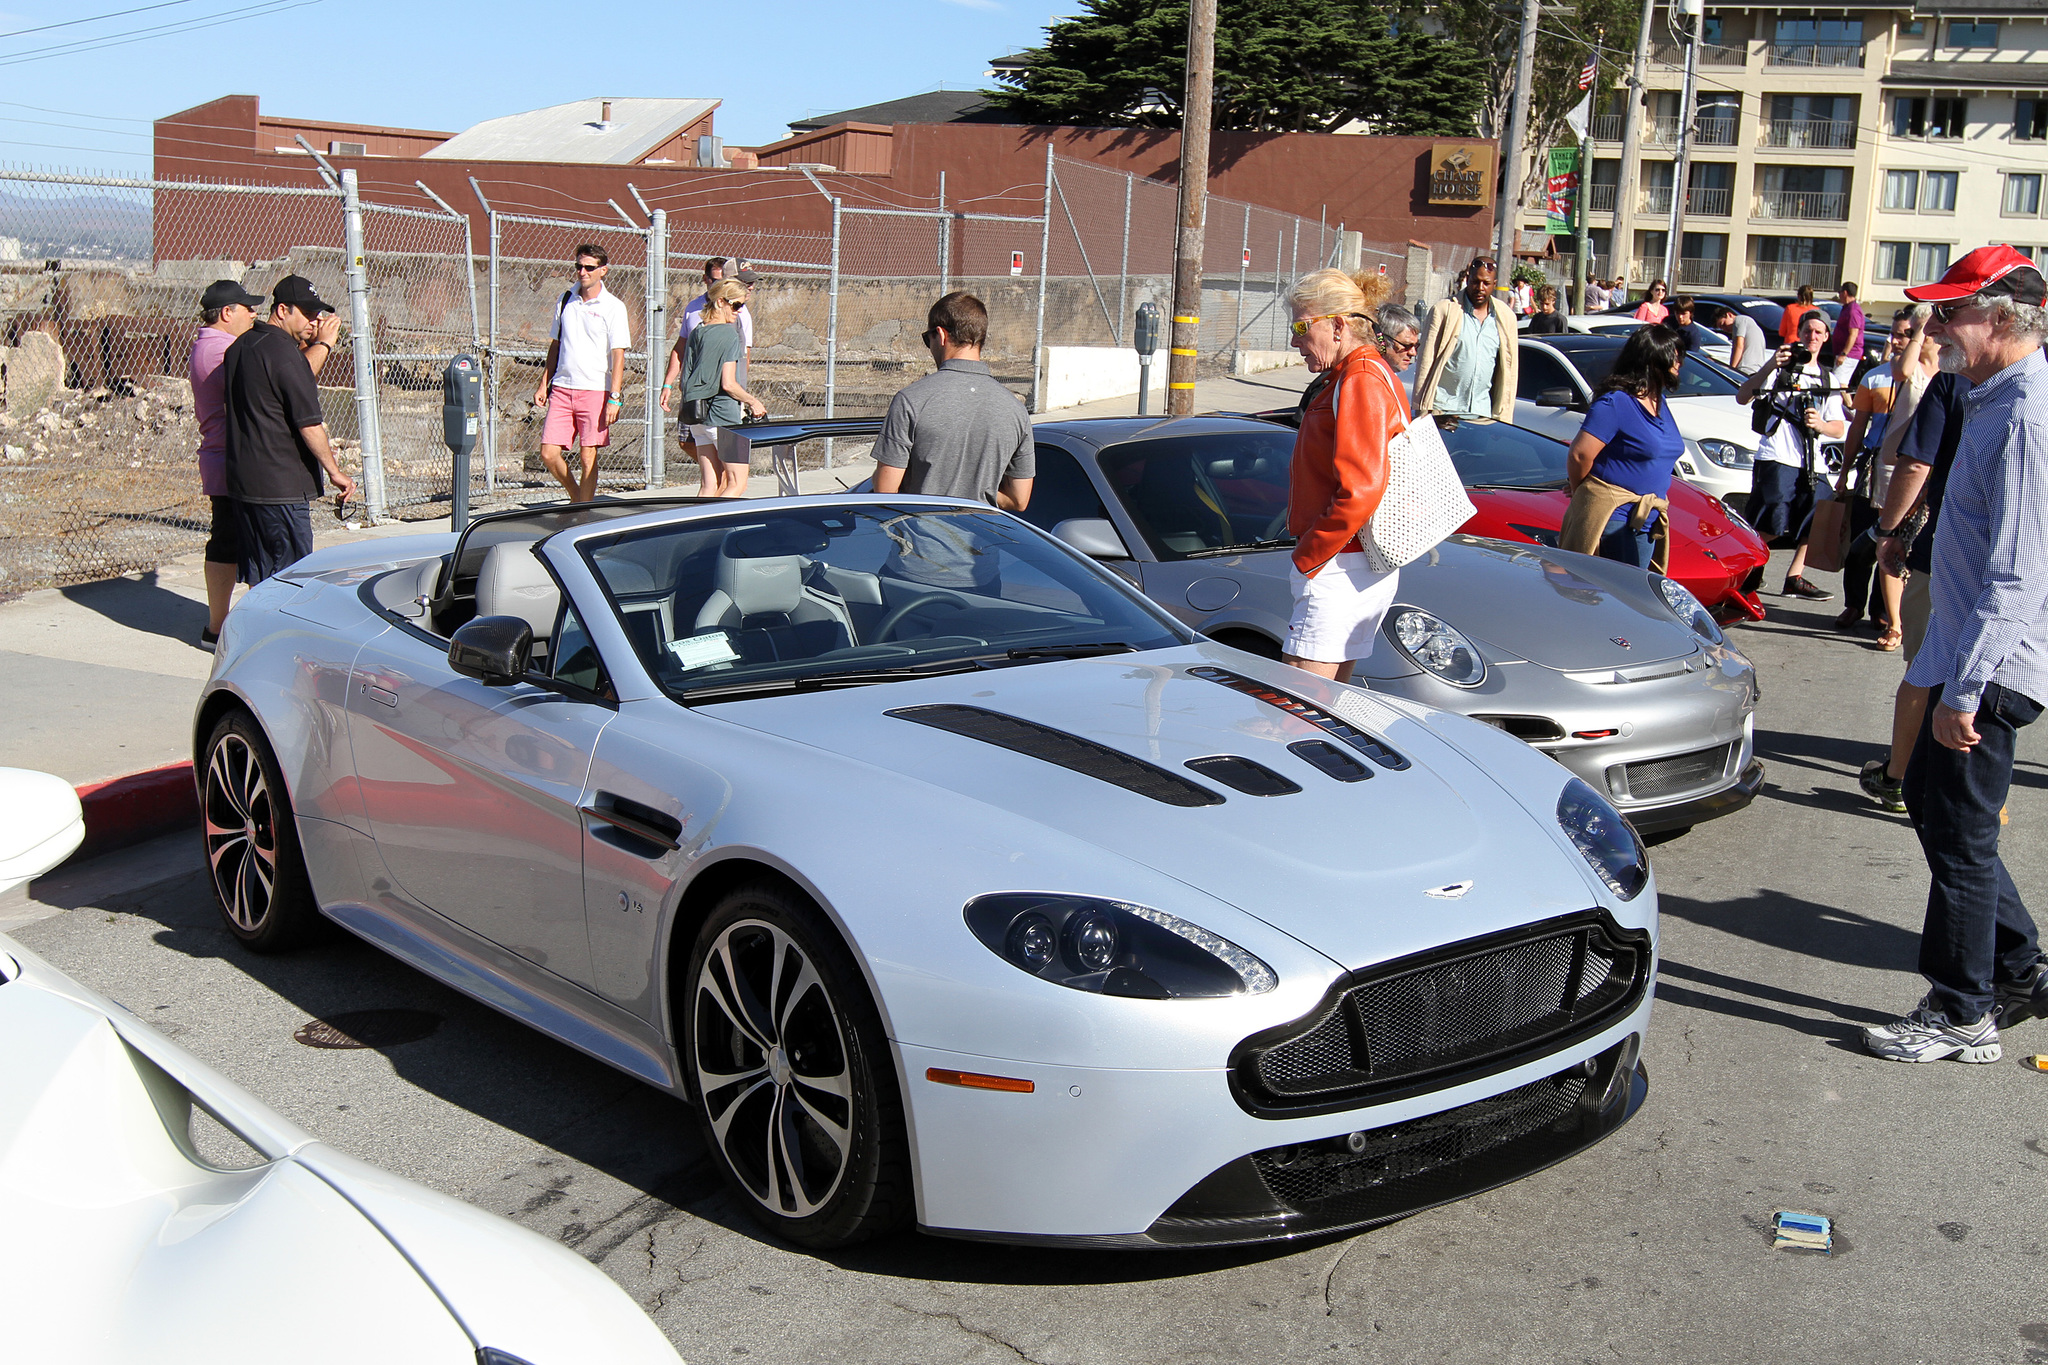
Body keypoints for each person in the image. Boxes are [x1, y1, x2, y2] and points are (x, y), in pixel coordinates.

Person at [1863, 244, 2048, 1064]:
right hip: (1966, 653)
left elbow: (2017, 575)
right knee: (1940, 818)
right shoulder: (1992, 397)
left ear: (2002, 320)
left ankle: (1961, 1007)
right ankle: (2014, 967)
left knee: (1960, 837)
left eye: (1952, 311)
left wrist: (1963, 690)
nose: (1935, 326)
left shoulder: (2025, 417)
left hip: (1993, 665)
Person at [1283, 266, 1402, 683]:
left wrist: (1310, 555)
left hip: (1341, 564)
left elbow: (1361, 487)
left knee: (1293, 707)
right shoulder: (1367, 372)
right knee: (1326, 708)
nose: (1295, 340)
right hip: (1355, 561)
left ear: (1337, 325)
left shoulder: (1359, 377)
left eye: (1301, 325)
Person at [1861, 305, 1952, 813]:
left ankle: (1901, 777)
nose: (1930, 332)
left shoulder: (1951, 385)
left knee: (1925, 667)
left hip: (1942, 545)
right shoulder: (2027, 383)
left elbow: (1914, 463)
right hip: (2010, 559)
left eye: (1942, 320)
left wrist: (1889, 532)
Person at [222, 275, 355, 587]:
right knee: (292, 579)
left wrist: (317, 343)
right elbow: (309, 423)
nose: (314, 321)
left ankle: (258, 632)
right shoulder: (284, 354)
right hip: (281, 486)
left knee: (262, 578)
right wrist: (335, 471)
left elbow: (290, 379)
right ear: (282, 310)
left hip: (245, 484)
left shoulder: (241, 347)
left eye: (317, 315)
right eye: (307, 314)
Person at [1735, 309, 1846, 599]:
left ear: (1826, 338)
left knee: (1816, 518)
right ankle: (1747, 572)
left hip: (1811, 461)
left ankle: (1794, 577)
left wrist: (1820, 424)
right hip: (1777, 455)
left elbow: (1838, 427)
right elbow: (1743, 395)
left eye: (1818, 332)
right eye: (1807, 330)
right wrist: (1771, 365)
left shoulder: (1827, 378)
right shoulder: (1780, 368)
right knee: (1771, 522)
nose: (1812, 337)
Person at [1560, 324, 1685, 569]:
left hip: (1647, 519)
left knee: (1636, 597)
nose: (1679, 362)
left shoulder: (1659, 401)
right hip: (1614, 518)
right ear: (1653, 359)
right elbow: (1579, 455)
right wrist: (1583, 492)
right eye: (1674, 355)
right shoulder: (1615, 403)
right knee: (1619, 597)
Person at [190, 280, 265, 646]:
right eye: (246, 307)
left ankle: (218, 626)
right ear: (226, 312)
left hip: (226, 458)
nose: (253, 313)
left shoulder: (217, 346)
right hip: (230, 459)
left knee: (230, 539)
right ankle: (218, 627)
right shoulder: (221, 350)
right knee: (231, 540)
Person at [1832, 319, 1914, 640]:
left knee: (1892, 542)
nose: (1897, 340)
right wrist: (1844, 471)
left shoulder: (1927, 379)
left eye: (1905, 334)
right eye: (1894, 333)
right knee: (1861, 542)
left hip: (1905, 473)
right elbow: (1857, 428)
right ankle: (1854, 603)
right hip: (1872, 468)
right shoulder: (1874, 376)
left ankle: (1883, 612)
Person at [532, 244, 630, 504]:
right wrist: (544, 383)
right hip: (563, 387)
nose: (583, 272)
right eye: (579, 266)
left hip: (596, 389)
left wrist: (615, 396)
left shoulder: (613, 306)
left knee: (589, 457)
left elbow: (618, 354)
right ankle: (578, 499)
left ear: (603, 271)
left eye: (589, 267)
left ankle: (582, 514)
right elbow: (556, 344)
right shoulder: (566, 300)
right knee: (548, 453)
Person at [663, 279, 766, 496]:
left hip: (697, 417)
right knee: (737, 483)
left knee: (708, 486)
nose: (738, 311)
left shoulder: (698, 331)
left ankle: (697, 527)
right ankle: (714, 529)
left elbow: (686, 375)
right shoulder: (729, 334)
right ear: (720, 302)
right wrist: (753, 401)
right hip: (723, 416)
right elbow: (728, 383)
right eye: (736, 305)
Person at [1413, 256, 1518, 425]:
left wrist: (1504, 418)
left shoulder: (1505, 317)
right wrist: (1422, 412)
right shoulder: (1444, 310)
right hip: (1443, 412)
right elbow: (1425, 364)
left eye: (1486, 283)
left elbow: (1510, 373)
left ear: (1494, 283)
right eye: (1475, 282)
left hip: (1482, 415)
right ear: (1467, 279)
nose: (1480, 288)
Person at [1714, 302, 1769, 375]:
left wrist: (1731, 370)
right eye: (1721, 328)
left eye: (1723, 324)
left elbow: (1739, 346)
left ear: (1729, 315)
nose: (1725, 329)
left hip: (1745, 368)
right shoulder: (1750, 323)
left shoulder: (1739, 320)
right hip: (1756, 369)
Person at [1830, 281, 1867, 385]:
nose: (1839, 295)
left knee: (1839, 383)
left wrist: (1844, 354)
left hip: (1850, 353)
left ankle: (1851, 402)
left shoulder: (1853, 310)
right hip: (1843, 352)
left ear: (1845, 293)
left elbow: (1853, 334)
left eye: (1840, 292)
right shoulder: (1847, 308)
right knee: (1839, 383)